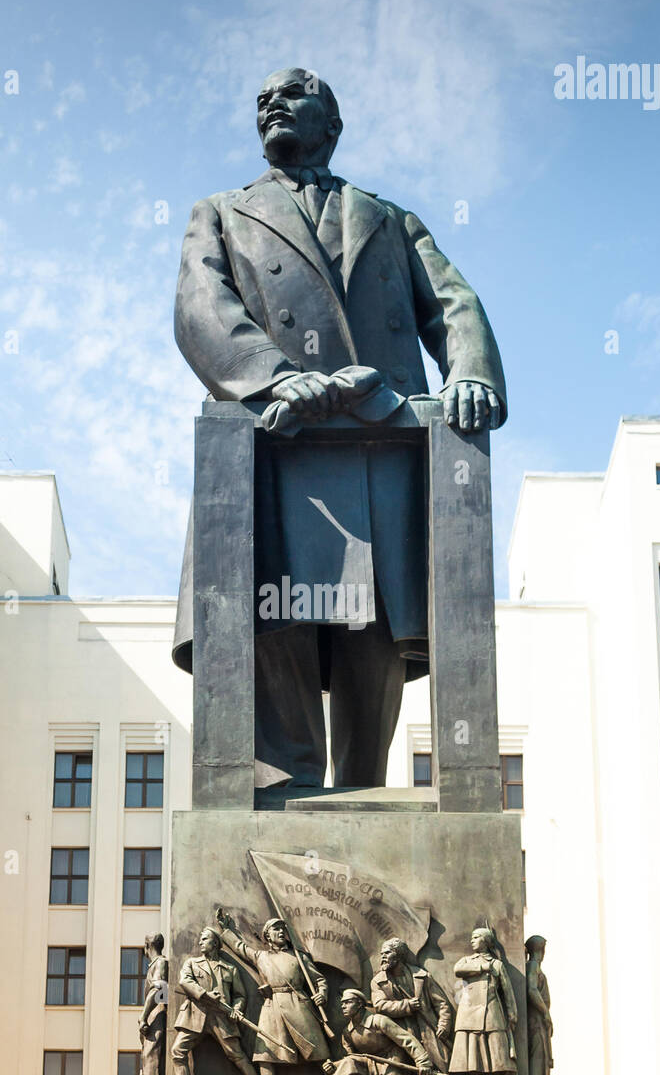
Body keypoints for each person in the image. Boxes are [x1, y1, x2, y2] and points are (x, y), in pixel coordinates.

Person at [172, 67, 507, 788]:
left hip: (380, 449)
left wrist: (471, 371)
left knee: (376, 624)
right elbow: (202, 308)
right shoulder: (222, 214)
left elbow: (452, 304)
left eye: (292, 92)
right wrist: (274, 376)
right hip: (278, 448)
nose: (271, 102)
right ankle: (287, 791)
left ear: (333, 123)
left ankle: (364, 796)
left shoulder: (389, 219)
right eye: (261, 97)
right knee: (277, 614)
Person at [214, 907, 331, 1075]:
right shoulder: (262, 957)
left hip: (297, 1004)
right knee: (265, 1048)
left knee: (317, 1048)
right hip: (272, 1005)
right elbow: (241, 948)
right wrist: (226, 931)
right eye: (276, 929)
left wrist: (322, 994)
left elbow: (319, 980)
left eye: (283, 929)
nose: (281, 932)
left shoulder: (299, 957)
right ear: (267, 935)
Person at [167, 926, 263, 1075]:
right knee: (177, 1051)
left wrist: (236, 1009)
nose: (200, 942)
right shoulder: (192, 963)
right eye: (201, 939)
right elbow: (185, 981)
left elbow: (240, 995)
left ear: (215, 943)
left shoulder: (229, 969)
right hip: (196, 1015)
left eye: (204, 939)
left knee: (236, 1055)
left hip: (221, 1018)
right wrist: (204, 994)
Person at [450, 928, 529, 1075]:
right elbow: (458, 969)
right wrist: (483, 967)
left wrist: (512, 1013)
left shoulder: (497, 965)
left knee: (504, 1058)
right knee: (473, 1056)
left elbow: (507, 991)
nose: (472, 941)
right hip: (469, 1013)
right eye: (471, 937)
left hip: (491, 1012)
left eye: (476, 937)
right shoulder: (467, 961)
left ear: (486, 941)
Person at [370, 936, 452, 1075]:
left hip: (427, 1027)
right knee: (409, 1067)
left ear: (398, 955)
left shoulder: (421, 976)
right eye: (381, 954)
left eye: (387, 953)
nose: (383, 957)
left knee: (441, 1062)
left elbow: (441, 1003)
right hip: (399, 1031)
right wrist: (407, 1006)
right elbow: (379, 1005)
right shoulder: (378, 981)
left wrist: (443, 1024)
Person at [324, 989, 431, 1075]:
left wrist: (423, 1062)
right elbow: (349, 1058)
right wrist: (332, 1066)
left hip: (391, 1059)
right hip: (369, 1063)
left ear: (359, 1004)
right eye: (342, 1003)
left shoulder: (379, 1020)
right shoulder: (347, 1031)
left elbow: (406, 1039)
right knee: (334, 1069)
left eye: (348, 1002)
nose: (343, 1006)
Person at [138, 932, 168, 1075]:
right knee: (148, 1052)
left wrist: (144, 1016)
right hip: (154, 1012)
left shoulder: (161, 963)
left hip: (157, 1011)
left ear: (147, 946)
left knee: (153, 1051)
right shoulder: (155, 964)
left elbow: (158, 989)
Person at [525, 934, 553, 1075]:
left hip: (537, 1019)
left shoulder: (532, 966)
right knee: (538, 1056)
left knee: (540, 1055)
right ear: (541, 950)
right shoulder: (533, 965)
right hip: (536, 1019)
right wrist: (545, 1013)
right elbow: (532, 990)